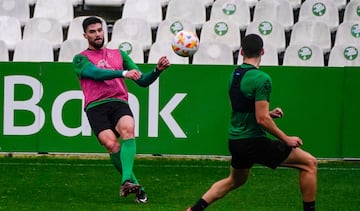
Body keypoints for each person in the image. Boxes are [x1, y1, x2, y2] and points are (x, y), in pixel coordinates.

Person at [186, 34, 317, 211]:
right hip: (253, 141)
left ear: (241, 52)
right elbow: (261, 119)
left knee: (235, 180)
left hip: (236, 141)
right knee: (309, 163)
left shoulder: (235, 74)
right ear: (262, 51)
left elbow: (245, 107)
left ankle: (194, 209)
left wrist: (269, 113)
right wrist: (286, 139)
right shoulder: (262, 79)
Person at [72, 16, 170, 203]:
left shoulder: (119, 54)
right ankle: (137, 187)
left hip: (118, 102)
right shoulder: (80, 59)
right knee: (112, 145)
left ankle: (125, 180)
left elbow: (141, 80)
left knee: (128, 131)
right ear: (85, 35)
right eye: (92, 32)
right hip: (95, 107)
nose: (97, 34)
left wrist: (157, 70)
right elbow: (96, 73)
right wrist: (123, 73)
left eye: (99, 30)